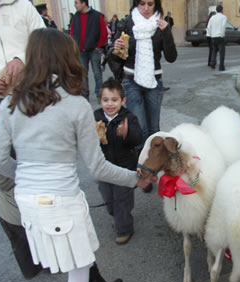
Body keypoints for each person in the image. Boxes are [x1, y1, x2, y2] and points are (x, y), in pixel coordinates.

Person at [0, 28, 156, 282]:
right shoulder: (76, 106)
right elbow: (97, 166)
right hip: (60, 202)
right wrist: (136, 178)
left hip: (28, 201)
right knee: (77, 266)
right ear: (66, 58)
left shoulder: (13, 103)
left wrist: (24, 176)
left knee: (74, 249)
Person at [110, 0, 177, 192]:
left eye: (150, 4)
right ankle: (144, 174)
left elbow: (171, 57)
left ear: (156, 6)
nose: (146, 8)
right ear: (136, 5)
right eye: (142, 4)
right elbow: (115, 57)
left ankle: (154, 170)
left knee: (154, 130)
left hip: (154, 82)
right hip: (131, 82)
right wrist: (115, 48)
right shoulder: (127, 24)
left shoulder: (161, 25)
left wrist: (167, 33)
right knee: (139, 130)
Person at [95, 78, 143, 245]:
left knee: (122, 200)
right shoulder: (95, 118)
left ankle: (124, 228)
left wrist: (127, 133)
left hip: (124, 167)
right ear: (100, 100)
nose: (110, 104)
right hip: (104, 167)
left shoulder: (128, 118)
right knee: (108, 199)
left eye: (114, 100)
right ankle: (117, 215)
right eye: (105, 100)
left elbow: (138, 139)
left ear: (123, 101)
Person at [0, 0, 45, 126]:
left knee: (37, 142)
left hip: (31, 93)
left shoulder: (22, 5)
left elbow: (45, 41)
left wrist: (22, 59)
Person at [0, 169, 42, 278]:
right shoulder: (19, 177)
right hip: (24, 218)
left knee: (20, 246)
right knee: (41, 243)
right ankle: (48, 266)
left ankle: (30, 271)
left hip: (5, 214)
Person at [70, 0, 108, 100]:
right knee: (83, 74)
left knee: (97, 73)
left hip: (94, 50)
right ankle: (85, 94)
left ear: (83, 3)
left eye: (76, 3)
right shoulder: (75, 17)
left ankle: (99, 94)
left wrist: (98, 46)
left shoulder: (97, 16)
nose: (75, 5)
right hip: (81, 51)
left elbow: (104, 33)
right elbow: (72, 32)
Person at [207, 4, 227, 71]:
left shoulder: (212, 17)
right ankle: (221, 66)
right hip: (220, 36)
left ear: (216, 10)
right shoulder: (224, 17)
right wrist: (222, 35)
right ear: (222, 10)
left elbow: (209, 27)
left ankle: (212, 63)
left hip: (213, 36)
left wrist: (210, 34)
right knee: (222, 52)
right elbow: (223, 26)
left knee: (214, 50)